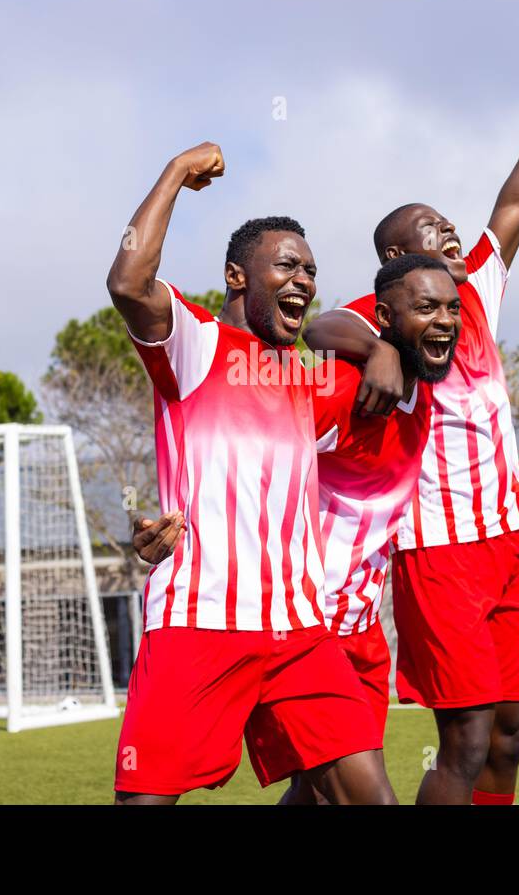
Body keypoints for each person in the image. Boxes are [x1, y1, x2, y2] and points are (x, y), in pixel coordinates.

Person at [302, 72, 519, 805]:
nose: (451, 235)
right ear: (394, 260)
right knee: (469, 736)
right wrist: (377, 349)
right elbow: (318, 323)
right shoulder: (386, 311)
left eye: (450, 225)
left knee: (514, 731)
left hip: (512, 540)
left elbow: (518, 202)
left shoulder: (473, 290)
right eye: (432, 231)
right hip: (437, 553)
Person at [107, 140, 395, 805]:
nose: (305, 279)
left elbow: (370, 327)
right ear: (238, 275)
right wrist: (176, 173)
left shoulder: (306, 382)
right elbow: (127, 282)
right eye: (287, 264)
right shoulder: (197, 343)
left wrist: (381, 347)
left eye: (312, 270)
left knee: (370, 798)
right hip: (199, 622)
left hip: (299, 630)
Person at [136, 253, 462, 804]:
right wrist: (172, 528)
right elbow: (237, 443)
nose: (446, 322)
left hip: (356, 626)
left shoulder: (422, 397)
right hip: (297, 622)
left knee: (324, 792)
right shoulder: (341, 388)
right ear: (383, 318)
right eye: (427, 308)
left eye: (453, 309)